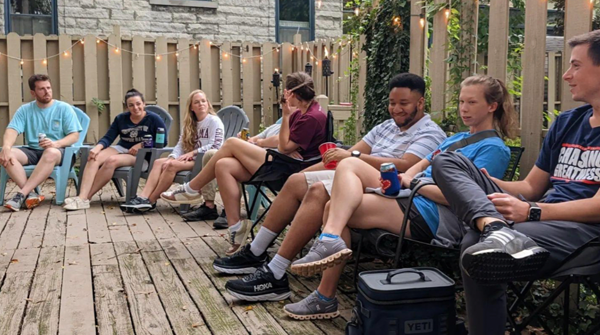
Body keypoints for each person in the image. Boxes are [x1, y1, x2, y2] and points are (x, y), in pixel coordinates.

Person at [225, 74, 517, 314]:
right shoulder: (457, 138)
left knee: (338, 192)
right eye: (462, 101)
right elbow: (417, 166)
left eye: (472, 102)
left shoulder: (492, 148)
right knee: (343, 179)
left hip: (433, 215)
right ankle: (324, 280)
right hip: (408, 196)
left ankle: (315, 270)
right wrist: (407, 178)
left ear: (492, 106)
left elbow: (469, 200)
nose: (464, 108)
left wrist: (412, 183)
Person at [430, 31, 600, 335]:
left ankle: (494, 235)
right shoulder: (567, 122)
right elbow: (532, 186)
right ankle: (494, 228)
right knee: (447, 161)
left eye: (575, 65)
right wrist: (484, 181)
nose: (566, 74)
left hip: (583, 230)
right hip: (540, 212)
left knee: (474, 246)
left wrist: (532, 212)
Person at [161, 72, 327, 255]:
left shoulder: (311, 117)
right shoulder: (302, 112)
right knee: (223, 165)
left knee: (231, 142)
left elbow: (285, 146)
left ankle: (192, 188)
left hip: (289, 169)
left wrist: (286, 116)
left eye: (286, 93)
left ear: (292, 94)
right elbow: (280, 140)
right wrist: (261, 142)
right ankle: (236, 231)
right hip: (280, 160)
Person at [119, 90, 223, 214]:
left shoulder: (214, 121)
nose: (201, 104)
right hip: (188, 159)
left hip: (204, 161)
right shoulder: (189, 124)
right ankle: (142, 197)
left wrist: (193, 153)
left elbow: (216, 145)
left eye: (203, 101)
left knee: (171, 166)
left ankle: (150, 201)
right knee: (159, 162)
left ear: (208, 104)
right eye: (196, 102)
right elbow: (180, 145)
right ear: (191, 107)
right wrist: (173, 156)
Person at [63, 89, 167, 210]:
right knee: (94, 157)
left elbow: (163, 142)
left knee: (112, 161)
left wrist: (142, 145)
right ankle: (82, 197)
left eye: (138, 104)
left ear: (144, 104)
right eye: (131, 105)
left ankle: (86, 198)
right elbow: (109, 137)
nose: (136, 107)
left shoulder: (154, 119)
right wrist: (97, 148)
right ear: (127, 106)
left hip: (143, 156)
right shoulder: (121, 119)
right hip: (122, 148)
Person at [1, 74, 82, 211]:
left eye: (49, 88)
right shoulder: (25, 110)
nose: (47, 92)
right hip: (33, 151)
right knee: (8, 155)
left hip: (60, 152)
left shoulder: (63, 108)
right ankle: (31, 194)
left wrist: (55, 144)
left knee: (50, 152)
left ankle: (21, 194)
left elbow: (74, 136)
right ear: (33, 93)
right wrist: (7, 147)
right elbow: (12, 130)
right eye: (42, 89)